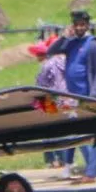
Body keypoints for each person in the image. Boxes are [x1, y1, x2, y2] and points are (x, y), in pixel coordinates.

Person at [48, 11, 96, 184]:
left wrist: (94, 96)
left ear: (88, 25)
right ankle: (91, 169)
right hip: (72, 97)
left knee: (93, 134)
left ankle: (92, 171)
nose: (80, 28)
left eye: (83, 24)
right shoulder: (72, 43)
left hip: (88, 96)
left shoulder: (94, 44)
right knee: (78, 135)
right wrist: (64, 37)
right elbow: (51, 51)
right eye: (77, 25)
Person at [29, 37, 68, 171]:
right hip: (63, 97)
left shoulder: (47, 65)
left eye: (38, 54)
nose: (37, 57)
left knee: (48, 131)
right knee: (61, 130)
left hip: (49, 99)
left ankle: (52, 159)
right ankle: (62, 159)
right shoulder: (63, 61)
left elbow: (41, 84)